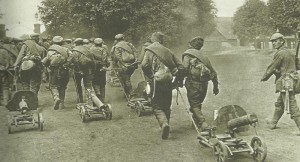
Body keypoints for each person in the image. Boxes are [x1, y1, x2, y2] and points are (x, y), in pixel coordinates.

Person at [141, 32, 185, 139]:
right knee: (166, 104)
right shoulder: (168, 50)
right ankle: (167, 124)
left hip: (157, 80)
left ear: (152, 40)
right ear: (161, 40)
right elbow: (181, 67)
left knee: (156, 105)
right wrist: (178, 80)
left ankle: (164, 123)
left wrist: (150, 75)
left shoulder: (149, 50)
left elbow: (144, 65)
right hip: (168, 79)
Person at [261, 32, 300, 133]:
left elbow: (273, 66)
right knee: (280, 103)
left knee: (292, 105)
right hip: (293, 81)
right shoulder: (290, 52)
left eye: (276, 41)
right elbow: (297, 66)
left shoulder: (280, 53)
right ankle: (273, 123)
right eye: (272, 41)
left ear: (282, 41)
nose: (274, 43)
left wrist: (265, 77)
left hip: (286, 82)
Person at [182, 36, 219, 131]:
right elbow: (213, 72)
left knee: (194, 104)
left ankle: (203, 123)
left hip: (192, 83)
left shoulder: (187, 54)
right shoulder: (203, 56)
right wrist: (215, 86)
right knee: (198, 103)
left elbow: (184, 69)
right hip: (204, 84)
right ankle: (196, 122)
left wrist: (178, 80)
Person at [42, 36, 72, 110]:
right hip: (64, 70)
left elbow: (46, 61)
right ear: (62, 42)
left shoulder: (50, 50)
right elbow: (72, 56)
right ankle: (62, 104)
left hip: (54, 70)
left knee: (53, 86)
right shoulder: (66, 49)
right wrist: (67, 63)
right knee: (63, 87)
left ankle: (56, 97)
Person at [111, 34, 138, 100]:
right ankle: (127, 93)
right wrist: (136, 60)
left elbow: (117, 57)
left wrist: (120, 64)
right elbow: (135, 52)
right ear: (123, 38)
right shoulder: (129, 44)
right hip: (132, 64)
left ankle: (131, 94)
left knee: (126, 79)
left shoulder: (117, 46)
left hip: (123, 64)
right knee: (127, 78)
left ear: (117, 40)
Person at [90, 38, 109, 102]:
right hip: (102, 67)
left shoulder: (91, 49)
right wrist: (105, 65)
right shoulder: (103, 49)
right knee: (102, 83)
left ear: (94, 43)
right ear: (101, 43)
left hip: (94, 68)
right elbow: (105, 58)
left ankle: (97, 93)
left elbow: (90, 59)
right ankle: (102, 99)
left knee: (95, 81)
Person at [0, 37, 18, 105]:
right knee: (5, 85)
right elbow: (8, 61)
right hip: (4, 70)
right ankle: (6, 101)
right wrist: (6, 66)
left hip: (3, 69)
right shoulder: (4, 51)